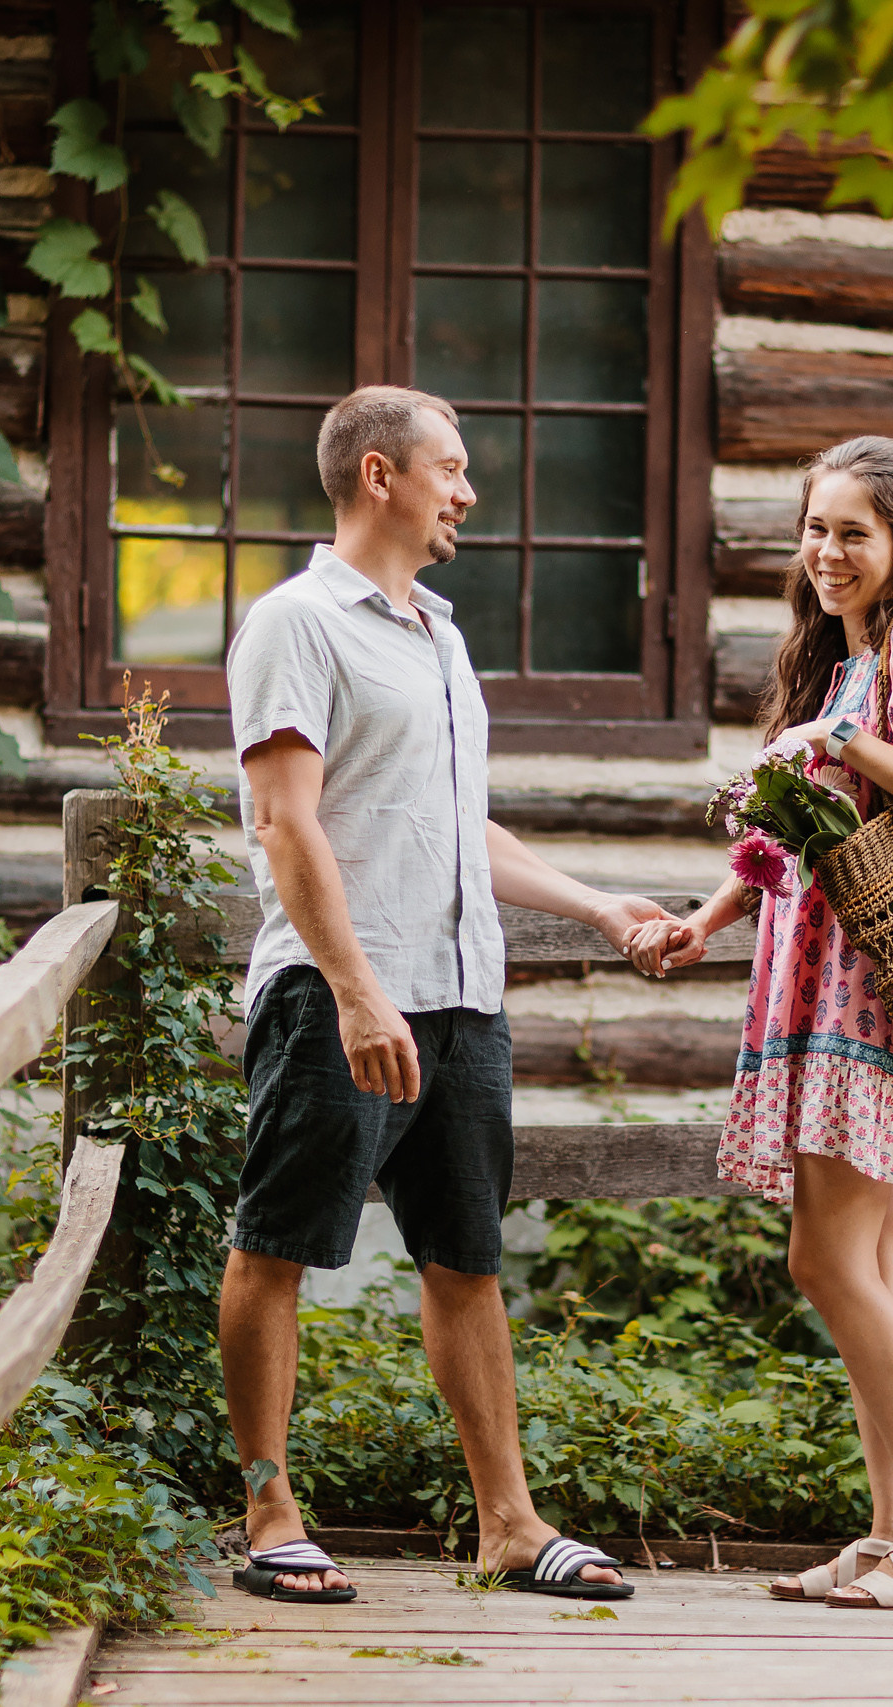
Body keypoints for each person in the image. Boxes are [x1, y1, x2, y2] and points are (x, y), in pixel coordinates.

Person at [221, 385, 670, 1605]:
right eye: (451, 468)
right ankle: (268, 1513)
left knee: (464, 1260)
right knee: (276, 1247)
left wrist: (597, 906)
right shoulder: (296, 624)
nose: (467, 492)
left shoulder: (438, 634)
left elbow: (459, 825)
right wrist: (356, 992)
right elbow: (285, 822)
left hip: (464, 1000)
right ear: (380, 475)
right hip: (339, 998)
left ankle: (509, 1527)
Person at [630, 435, 893, 1611]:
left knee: (825, 1259)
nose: (828, 551)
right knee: (866, 1264)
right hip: (816, 989)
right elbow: (791, 835)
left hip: (872, 997)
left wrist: (840, 741)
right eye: (815, 529)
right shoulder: (843, 665)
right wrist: (705, 917)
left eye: (853, 532)